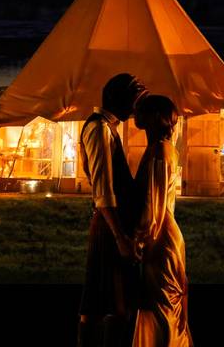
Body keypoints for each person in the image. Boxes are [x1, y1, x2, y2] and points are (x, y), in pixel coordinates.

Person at [78, 73, 148, 347]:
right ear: (121, 99)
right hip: (110, 225)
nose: (136, 109)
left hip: (114, 223)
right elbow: (104, 189)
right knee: (102, 301)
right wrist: (119, 236)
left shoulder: (110, 127)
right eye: (135, 101)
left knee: (107, 299)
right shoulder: (99, 129)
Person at [132, 95, 192, 347]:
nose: (135, 112)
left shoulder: (158, 151)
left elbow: (151, 205)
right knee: (162, 307)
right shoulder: (166, 149)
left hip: (159, 239)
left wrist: (136, 239)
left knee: (160, 308)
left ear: (155, 117)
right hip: (167, 234)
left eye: (141, 110)